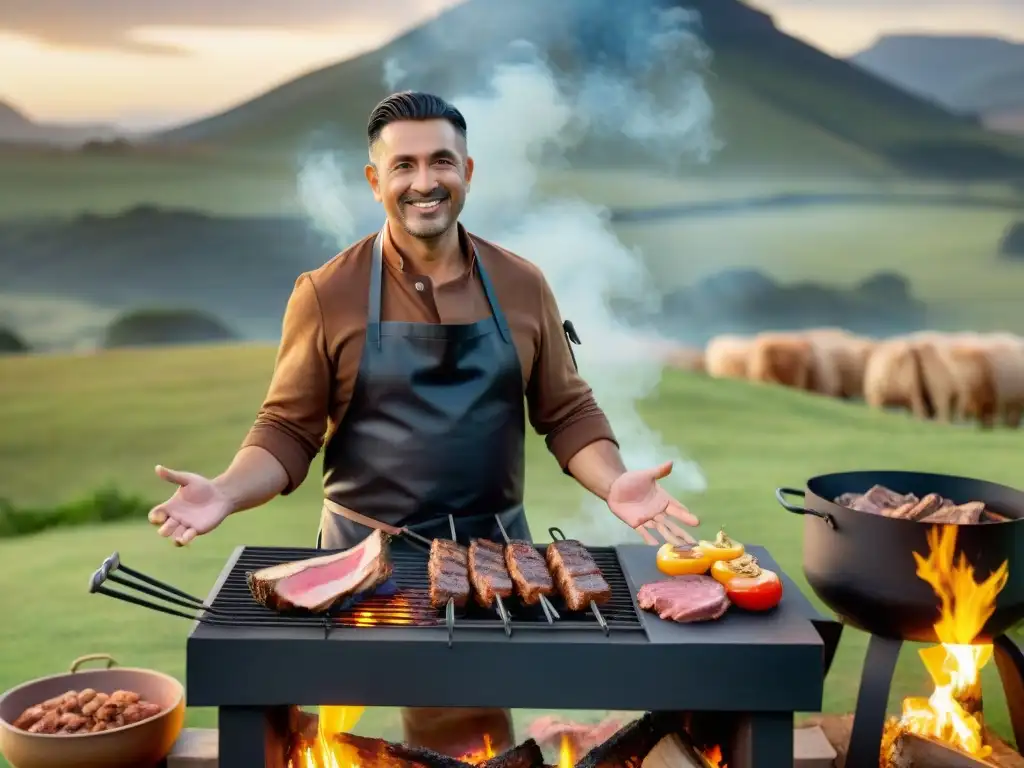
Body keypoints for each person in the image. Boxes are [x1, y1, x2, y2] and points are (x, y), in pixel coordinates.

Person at [147, 91, 698, 756]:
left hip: (491, 567)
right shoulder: (326, 293)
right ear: (375, 180)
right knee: (335, 744)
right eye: (403, 165)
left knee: (473, 748)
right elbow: (289, 430)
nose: (424, 181)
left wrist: (613, 483)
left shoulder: (523, 284)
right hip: (362, 564)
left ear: (469, 172)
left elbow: (567, 410)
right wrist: (227, 490)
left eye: (442, 161)